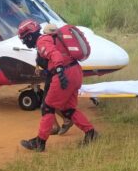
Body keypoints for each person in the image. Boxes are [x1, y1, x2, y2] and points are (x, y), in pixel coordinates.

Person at [18, 19, 98, 152]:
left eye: (24, 39)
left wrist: (60, 72)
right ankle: (91, 133)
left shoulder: (42, 41)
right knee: (68, 109)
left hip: (64, 75)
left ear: (30, 36)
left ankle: (40, 142)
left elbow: (55, 55)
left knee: (48, 107)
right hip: (75, 72)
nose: (25, 42)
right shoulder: (51, 38)